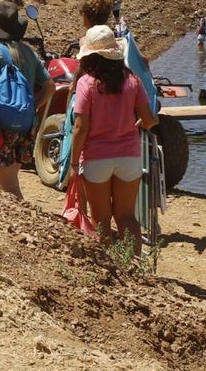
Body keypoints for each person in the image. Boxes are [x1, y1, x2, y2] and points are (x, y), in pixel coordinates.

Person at [67, 25, 158, 255]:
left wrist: (73, 163)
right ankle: (134, 266)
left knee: (101, 219)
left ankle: (111, 269)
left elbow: (80, 127)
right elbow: (150, 120)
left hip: (97, 158)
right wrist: (132, 124)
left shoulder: (86, 82)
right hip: (129, 157)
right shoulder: (132, 80)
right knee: (127, 216)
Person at [0, 0, 53, 200]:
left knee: (9, 187)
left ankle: (26, 224)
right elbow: (50, 87)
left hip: (1, 126)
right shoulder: (29, 52)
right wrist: (34, 105)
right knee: (11, 181)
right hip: (26, 125)